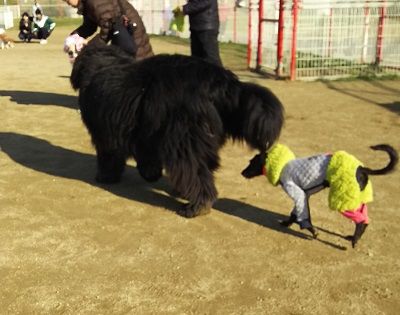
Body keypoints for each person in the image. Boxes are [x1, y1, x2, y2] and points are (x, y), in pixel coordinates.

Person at [61, 0, 153, 60]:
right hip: (120, 29)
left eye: (67, 0)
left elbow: (108, 27)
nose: (67, 3)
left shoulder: (94, 2)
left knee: (138, 60)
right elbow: (89, 26)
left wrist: (89, 46)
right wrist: (72, 37)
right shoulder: (87, 3)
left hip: (128, 30)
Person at [181, 0, 222, 66]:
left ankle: (219, 76)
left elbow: (205, 2)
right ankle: (198, 75)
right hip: (196, 25)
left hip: (207, 27)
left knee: (211, 58)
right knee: (196, 58)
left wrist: (185, 9)